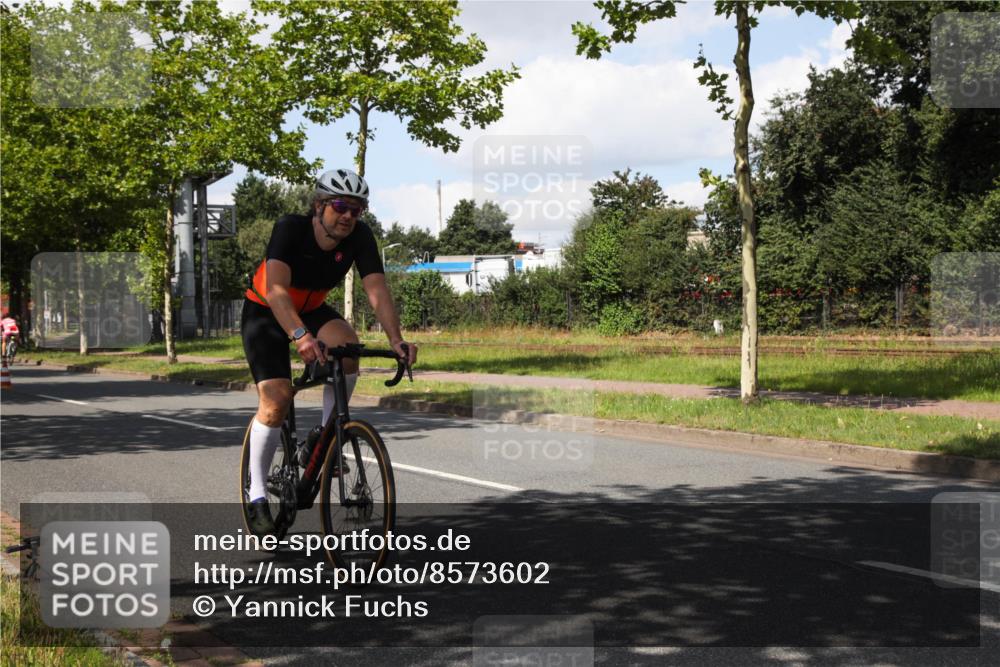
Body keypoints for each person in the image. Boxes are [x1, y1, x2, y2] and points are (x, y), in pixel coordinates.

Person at [241, 168, 417, 535]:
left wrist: (395, 339)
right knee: (276, 400)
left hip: (311, 309)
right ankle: (256, 493)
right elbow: (275, 290)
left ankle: (322, 437)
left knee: (348, 349)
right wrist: (301, 336)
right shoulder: (291, 228)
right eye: (341, 206)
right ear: (319, 205)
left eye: (357, 209)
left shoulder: (360, 237)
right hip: (266, 310)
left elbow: (377, 290)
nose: (349, 216)